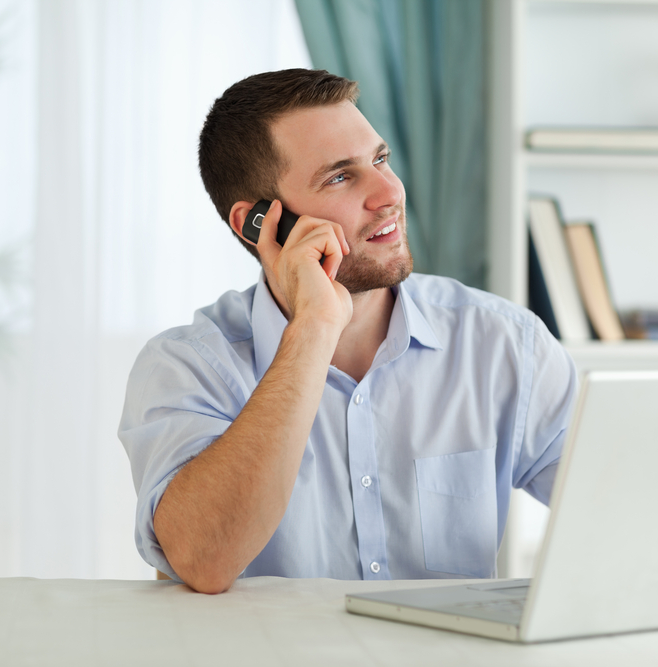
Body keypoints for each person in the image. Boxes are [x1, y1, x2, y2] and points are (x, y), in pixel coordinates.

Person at [118, 69, 576, 594]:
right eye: (340, 176)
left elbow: (629, 506)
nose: (389, 194)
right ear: (258, 223)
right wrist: (313, 328)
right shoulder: (188, 365)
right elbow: (203, 560)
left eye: (380, 160)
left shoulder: (504, 342)